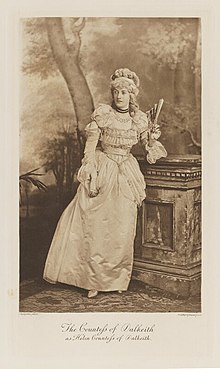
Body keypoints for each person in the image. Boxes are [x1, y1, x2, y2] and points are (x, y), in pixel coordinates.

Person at [43, 68, 167, 298]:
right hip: (104, 169)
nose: (119, 96)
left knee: (123, 227)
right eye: (116, 91)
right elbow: (90, 147)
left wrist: (152, 138)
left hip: (127, 174)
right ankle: (93, 280)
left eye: (124, 92)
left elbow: (149, 150)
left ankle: (118, 279)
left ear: (132, 96)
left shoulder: (138, 120)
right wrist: (89, 168)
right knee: (98, 226)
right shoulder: (104, 114)